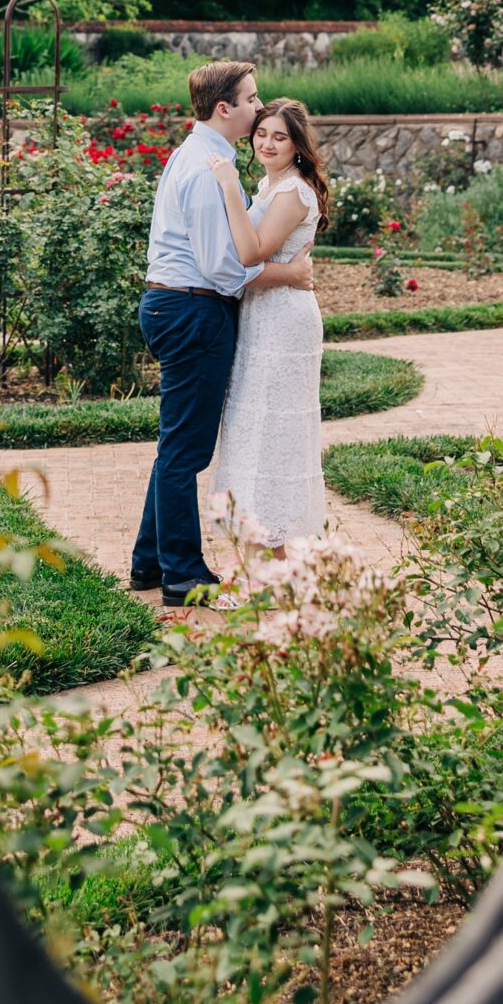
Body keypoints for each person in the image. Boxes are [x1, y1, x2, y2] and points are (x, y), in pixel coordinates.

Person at [129, 62, 317, 604]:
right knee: (185, 452)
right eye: (253, 100)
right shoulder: (208, 166)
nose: (260, 109)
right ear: (224, 109)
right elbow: (222, 264)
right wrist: (289, 273)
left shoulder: (195, 155)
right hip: (193, 311)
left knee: (175, 445)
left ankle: (149, 562)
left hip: (176, 306)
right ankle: (182, 573)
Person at [204, 97, 329, 544]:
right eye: (261, 134)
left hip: (284, 321)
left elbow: (251, 253)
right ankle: (264, 564)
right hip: (263, 314)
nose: (268, 143)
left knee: (274, 434)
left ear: (298, 145)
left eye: (280, 137)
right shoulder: (270, 185)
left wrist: (225, 184)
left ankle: (277, 559)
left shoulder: (294, 190)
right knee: (254, 429)